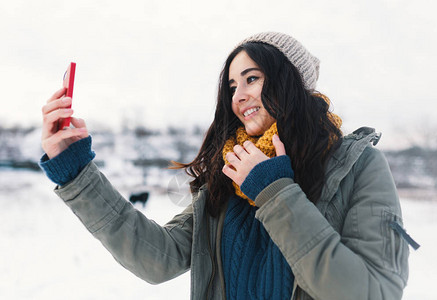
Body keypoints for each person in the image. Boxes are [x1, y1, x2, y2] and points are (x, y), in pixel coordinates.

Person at [40, 32, 414, 299]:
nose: (239, 96)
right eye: (232, 86)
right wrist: (76, 171)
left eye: (252, 79)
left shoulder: (356, 167)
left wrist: (275, 192)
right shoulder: (230, 171)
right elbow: (157, 257)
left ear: (291, 83)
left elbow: (373, 292)